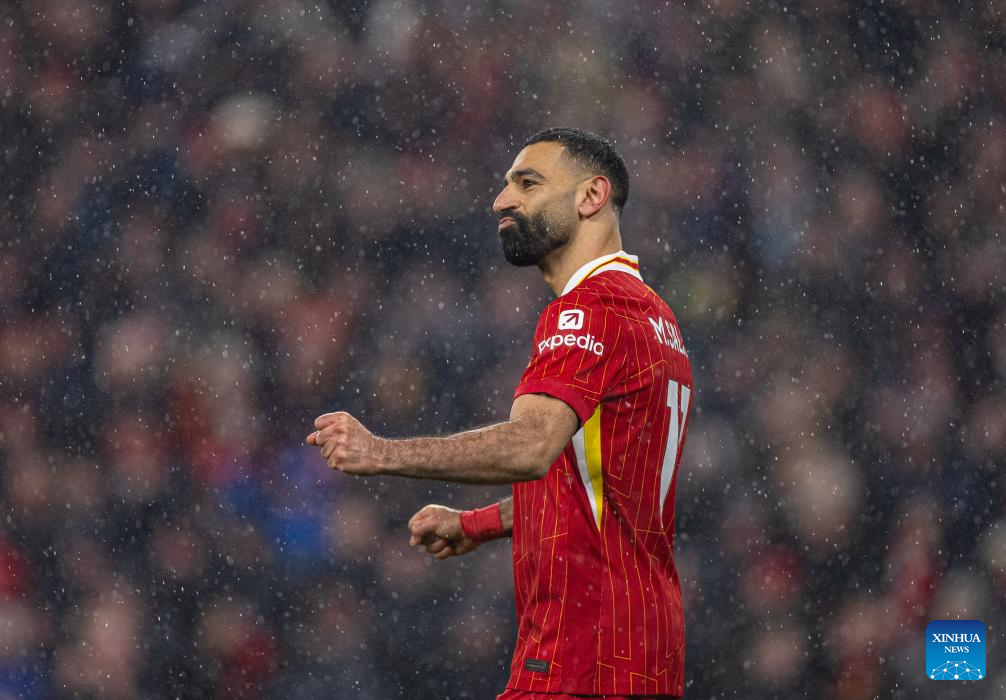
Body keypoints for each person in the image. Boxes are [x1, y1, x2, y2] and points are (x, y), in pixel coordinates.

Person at [307, 127, 693, 699]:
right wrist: (477, 523)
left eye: (528, 183)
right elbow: (601, 488)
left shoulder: (591, 308)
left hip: (579, 658)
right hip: (644, 657)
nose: (501, 200)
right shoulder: (656, 318)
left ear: (591, 196)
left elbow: (531, 447)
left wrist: (379, 452)